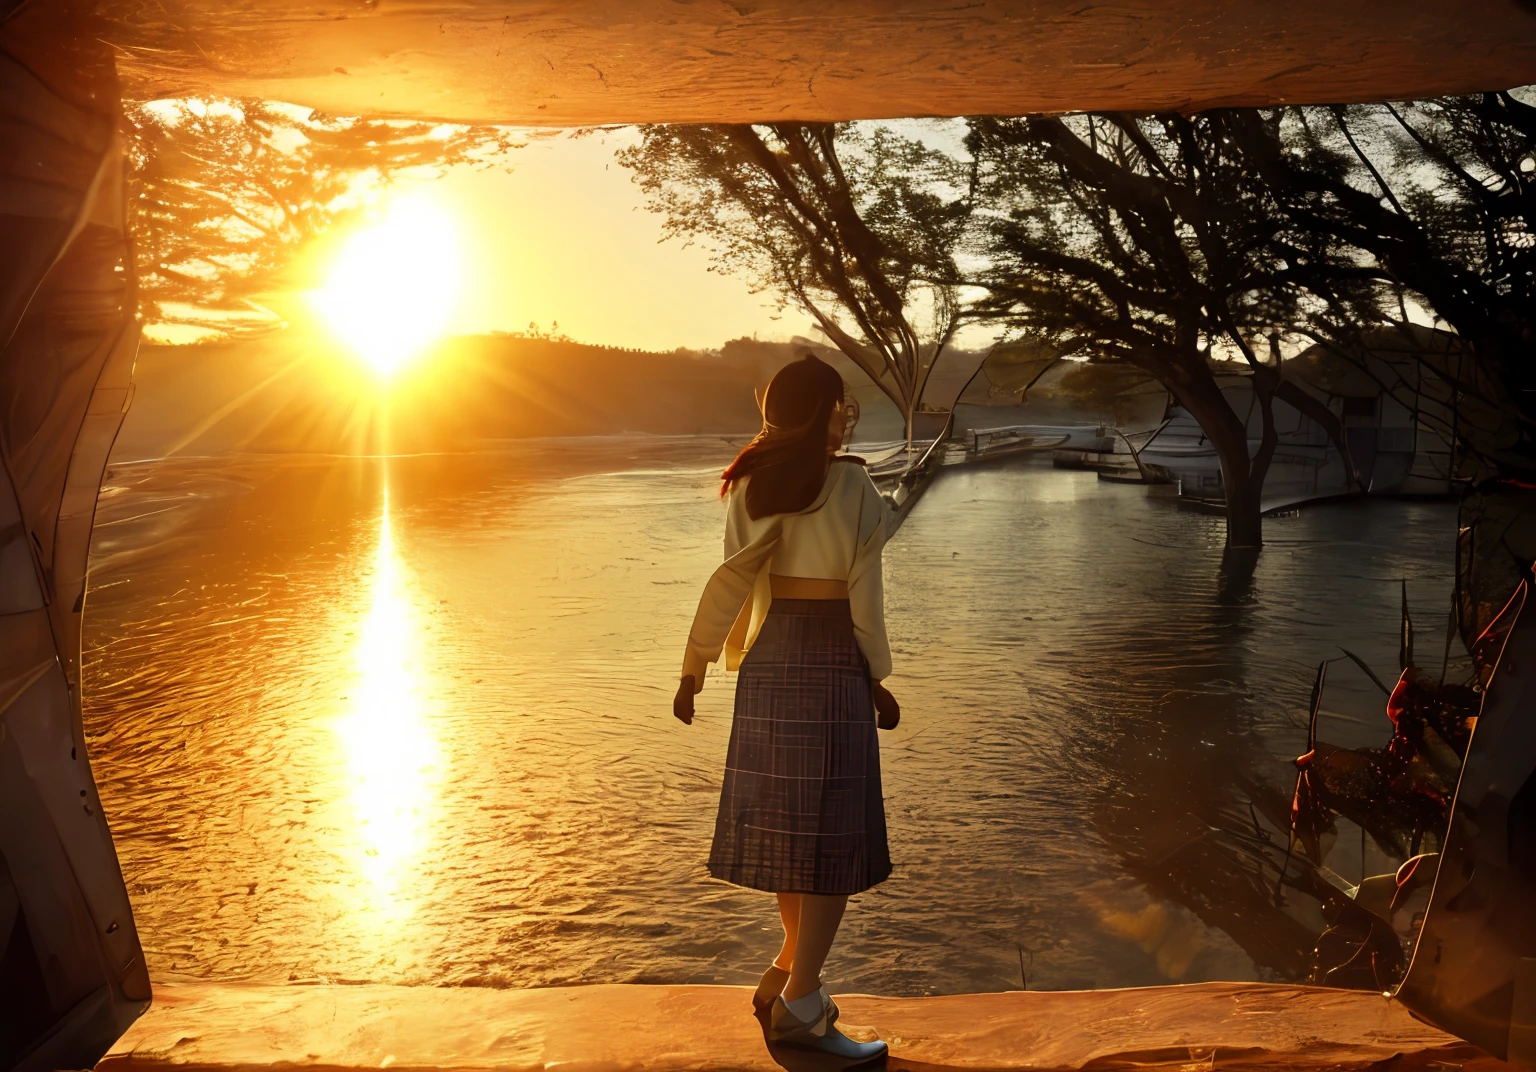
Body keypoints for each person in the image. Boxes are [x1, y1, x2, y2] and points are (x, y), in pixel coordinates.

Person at [673, 353, 900, 1063]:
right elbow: (865, 600)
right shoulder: (855, 486)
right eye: (839, 404)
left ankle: (785, 975)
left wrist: (695, 666)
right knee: (828, 840)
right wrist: (876, 679)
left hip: (769, 664)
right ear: (828, 410)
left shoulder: (747, 483)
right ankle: (803, 1006)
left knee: (791, 829)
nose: (845, 416)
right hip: (832, 660)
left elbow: (730, 583)